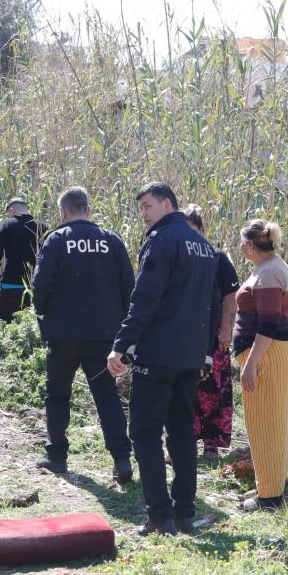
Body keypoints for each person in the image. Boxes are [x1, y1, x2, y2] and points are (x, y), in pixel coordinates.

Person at [107, 183, 220, 536]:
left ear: (167, 203)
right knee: (183, 434)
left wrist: (122, 345)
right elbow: (212, 304)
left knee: (144, 432)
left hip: (157, 356)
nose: (143, 214)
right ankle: (185, 513)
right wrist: (204, 352)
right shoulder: (204, 246)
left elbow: (145, 297)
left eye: (148, 206)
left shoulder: (162, 241)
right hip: (189, 356)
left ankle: (160, 516)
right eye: (140, 208)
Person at [31, 187, 136, 481]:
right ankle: (121, 460)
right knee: (107, 397)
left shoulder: (55, 240)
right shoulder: (111, 241)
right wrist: (125, 331)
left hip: (63, 334)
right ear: (88, 210)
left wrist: (43, 315)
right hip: (105, 336)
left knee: (58, 395)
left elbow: (40, 286)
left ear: (63, 213)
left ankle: (57, 456)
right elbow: (130, 287)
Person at [233, 220, 288, 512]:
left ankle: (270, 497)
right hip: (269, 354)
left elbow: (269, 323)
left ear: (249, 245)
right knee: (266, 423)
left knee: (267, 425)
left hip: (268, 356)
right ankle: (268, 484)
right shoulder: (270, 267)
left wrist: (251, 363)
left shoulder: (270, 271)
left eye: (241, 242)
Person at [181, 204, 239, 459]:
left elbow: (230, 296)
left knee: (213, 386)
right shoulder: (177, 255)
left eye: (193, 230)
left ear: (202, 229)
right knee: (184, 386)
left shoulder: (217, 257)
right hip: (183, 332)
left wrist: (226, 328)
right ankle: (184, 440)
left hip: (213, 332)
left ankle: (211, 444)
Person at [0, 198, 47, 322]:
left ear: (11, 210)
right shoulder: (43, 227)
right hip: (35, 284)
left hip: (11, 282)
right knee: (30, 323)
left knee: (5, 322)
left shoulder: (6, 224)